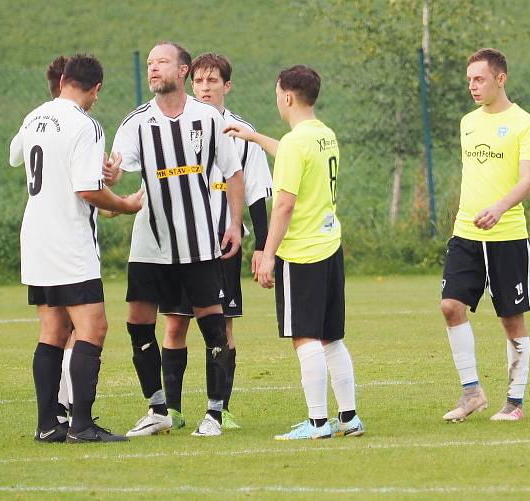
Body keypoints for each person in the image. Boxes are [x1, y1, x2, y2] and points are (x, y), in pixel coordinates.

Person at [110, 41, 245, 437]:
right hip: (149, 244)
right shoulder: (136, 122)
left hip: (199, 242)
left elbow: (233, 173)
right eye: (150, 63)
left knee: (212, 326)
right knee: (138, 322)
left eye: (162, 62)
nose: (153, 69)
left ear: (182, 70)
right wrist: (111, 176)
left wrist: (234, 224)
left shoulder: (207, 118)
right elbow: (117, 167)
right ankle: (158, 409)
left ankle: (215, 414)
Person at [9, 54, 143, 443]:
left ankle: (48, 424)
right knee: (93, 326)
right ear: (96, 89)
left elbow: (18, 156)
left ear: (64, 79)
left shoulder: (35, 116)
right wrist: (125, 204)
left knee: (52, 330)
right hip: (69, 240)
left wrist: (97, 175)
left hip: (35, 238)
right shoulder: (86, 124)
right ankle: (82, 425)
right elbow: (86, 190)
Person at [225, 65, 364, 440]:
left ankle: (318, 423)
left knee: (304, 337)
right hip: (330, 248)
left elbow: (284, 204)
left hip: (301, 254)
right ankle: (348, 418)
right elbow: (290, 152)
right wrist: (254, 138)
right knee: (331, 337)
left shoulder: (296, 143)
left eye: (276, 94)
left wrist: (268, 253)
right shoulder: (323, 135)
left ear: (287, 96)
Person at [158, 53, 272, 430]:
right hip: (179, 244)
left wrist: (260, 244)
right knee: (175, 324)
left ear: (227, 85)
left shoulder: (241, 131)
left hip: (224, 245)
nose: (205, 88)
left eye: (213, 81)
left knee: (222, 326)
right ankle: (170, 411)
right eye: (200, 81)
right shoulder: (178, 124)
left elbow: (256, 190)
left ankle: (220, 408)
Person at [439, 48, 530, 423]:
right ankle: (472, 392)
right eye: (469, 80)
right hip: (465, 233)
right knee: (450, 306)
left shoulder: (525, 123)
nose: (473, 86)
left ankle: (514, 403)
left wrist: (498, 209)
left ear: (501, 79)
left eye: (479, 79)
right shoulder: (467, 122)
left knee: (511, 320)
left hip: (508, 236)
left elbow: (527, 180)